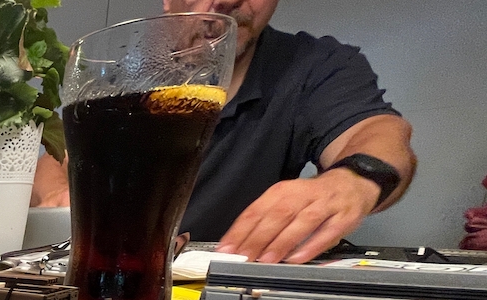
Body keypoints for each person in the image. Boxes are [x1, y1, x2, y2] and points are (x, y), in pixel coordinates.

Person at [164, 0, 416, 263]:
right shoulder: (133, 70)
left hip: (231, 279)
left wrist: (353, 179)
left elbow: (375, 130)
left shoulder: (314, 65)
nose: (227, 0)